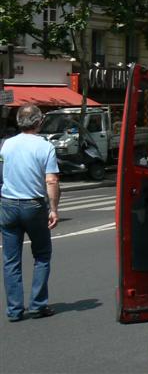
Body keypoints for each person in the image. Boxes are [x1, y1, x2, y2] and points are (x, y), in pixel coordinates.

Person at [1, 103, 60, 322]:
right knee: (42, 255)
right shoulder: (45, 146)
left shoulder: (5, 145)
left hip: (7, 204)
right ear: (38, 122)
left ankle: (15, 310)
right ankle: (37, 305)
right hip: (33, 206)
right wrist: (54, 209)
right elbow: (51, 180)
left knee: (11, 260)